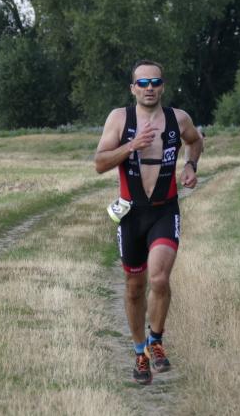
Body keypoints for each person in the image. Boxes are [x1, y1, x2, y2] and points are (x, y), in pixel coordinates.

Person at [94, 59, 203, 385]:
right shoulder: (119, 119)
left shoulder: (178, 118)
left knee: (159, 278)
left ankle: (156, 340)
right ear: (133, 89)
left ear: (163, 87)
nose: (149, 88)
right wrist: (132, 145)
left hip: (164, 211)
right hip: (132, 214)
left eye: (155, 82)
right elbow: (99, 163)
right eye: (142, 83)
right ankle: (140, 352)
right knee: (134, 287)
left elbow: (195, 141)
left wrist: (191, 166)